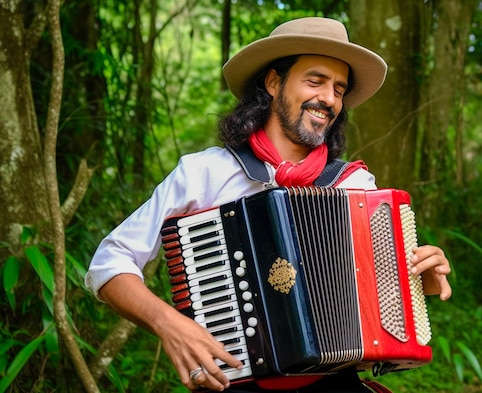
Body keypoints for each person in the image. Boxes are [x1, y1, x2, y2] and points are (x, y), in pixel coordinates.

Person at [85, 17, 452, 393]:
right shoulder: (206, 173)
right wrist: (168, 323)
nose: (329, 98)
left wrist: (417, 278)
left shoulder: (357, 188)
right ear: (273, 83)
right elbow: (109, 263)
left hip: (334, 382)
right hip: (235, 382)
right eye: (315, 80)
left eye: (339, 89)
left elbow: (377, 301)